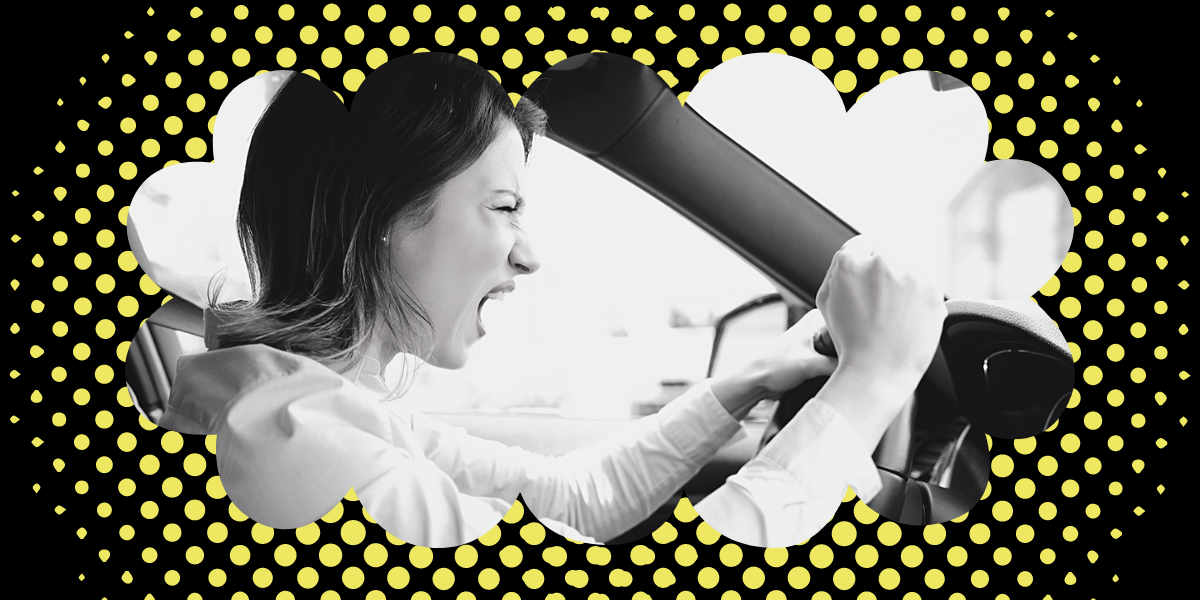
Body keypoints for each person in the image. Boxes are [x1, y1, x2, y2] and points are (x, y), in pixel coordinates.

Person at [156, 54, 946, 548]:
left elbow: (571, 502)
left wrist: (744, 380)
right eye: (503, 208)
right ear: (377, 218)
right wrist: (870, 383)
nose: (530, 254)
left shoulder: (327, 408)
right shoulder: (293, 448)